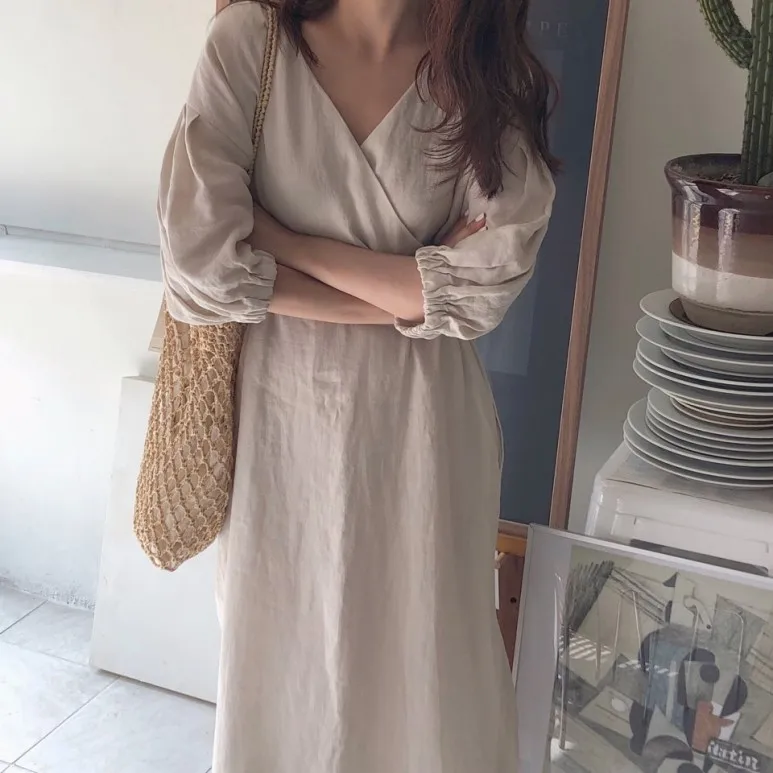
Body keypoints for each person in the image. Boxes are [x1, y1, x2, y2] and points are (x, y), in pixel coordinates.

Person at [158, 0, 556, 769]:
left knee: (426, 680)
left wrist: (284, 241)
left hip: (424, 431)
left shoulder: (481, 65)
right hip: (283, 425)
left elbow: (483, 288)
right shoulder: (251, 43)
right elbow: (199, 263)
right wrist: (405, 293)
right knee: (286, 677)